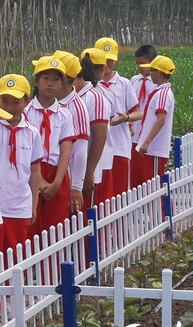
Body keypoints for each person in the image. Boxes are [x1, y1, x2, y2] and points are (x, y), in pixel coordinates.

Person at [0, 74, 44, 264]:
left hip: (18, 204)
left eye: (16, 102)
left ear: (26, 102)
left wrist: (33, 204)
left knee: (14, 256)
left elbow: (35, 170)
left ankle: (11, 293)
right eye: (4, 101)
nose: (10, 107)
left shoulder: (32, 133)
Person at [24, 56, 76, 242]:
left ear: (62, 84)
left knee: (55, 229)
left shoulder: (65, 114)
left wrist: (56, 182)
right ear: (36, 81)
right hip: (31, 173)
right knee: (29, 227)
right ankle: (27, 270)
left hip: (56, 173)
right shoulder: (25, 111)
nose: (51, 84)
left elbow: (66, 150)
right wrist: (38, 180)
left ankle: (51, 271)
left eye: (56, 80)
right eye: (46, 78)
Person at [95, 37, 141, 196]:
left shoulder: (124, 83)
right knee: (102, 195)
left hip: (120, 146)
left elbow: (137, 113)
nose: (107, 64)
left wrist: (126, 119)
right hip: (99, 150)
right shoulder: (92, 85)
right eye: (103, 60)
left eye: (110, 60)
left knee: (119, 193)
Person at [53, 50, 90, 215]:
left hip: (62, 178)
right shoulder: (47, 102)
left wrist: (76, 187)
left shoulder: (77, 107)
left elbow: (80, 152)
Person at [74, 49, 111, 208]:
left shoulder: (95, 97)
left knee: (91, 213)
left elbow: (100, 136)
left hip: (92, 166)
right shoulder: (77, 96)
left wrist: (89, 172)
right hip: (79, 169)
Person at [136, 55, 176, 183]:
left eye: (152, 71)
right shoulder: (160, 92)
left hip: (154, 150)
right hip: (151, 150)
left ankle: (162, 204)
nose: (150, 74)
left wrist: (147, 142)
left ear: (158, 73)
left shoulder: (163, 94)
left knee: (153, 186)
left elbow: (161, 120)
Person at [130, 45, 158, 188]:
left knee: (150, 178)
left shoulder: (157, 84)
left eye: (143, 63)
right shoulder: (134, 81)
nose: (140, 66)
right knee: (135, 177)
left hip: (149, 137)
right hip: (134, 136)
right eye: (137, 63)